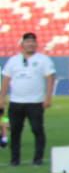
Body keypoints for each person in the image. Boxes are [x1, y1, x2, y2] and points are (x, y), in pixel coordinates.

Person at [2, 32, 55, 166]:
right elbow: (6, 79)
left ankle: (38, 159)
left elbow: (50, 78)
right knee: (15, 131)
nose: (30, 44)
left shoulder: (43, 59)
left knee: (37, 130)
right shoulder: (13, 60)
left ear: (36, 44)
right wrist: (1, 97)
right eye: (27, 42)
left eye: (33, 42)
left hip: (35, 102)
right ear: (22, 44)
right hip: (16, 102)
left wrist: (48, 97)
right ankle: (15, 160)